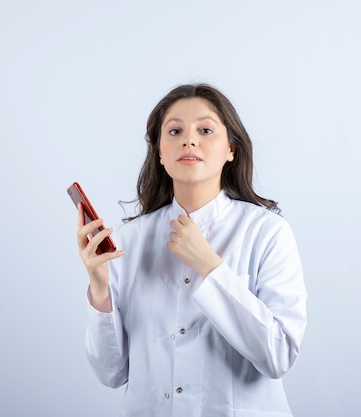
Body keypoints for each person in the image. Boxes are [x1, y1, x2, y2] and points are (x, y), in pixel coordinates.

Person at [76, 83, 307, 417]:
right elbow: (111, 373)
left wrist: (211, 268)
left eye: (205, 129)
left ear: (231, 148)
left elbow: (279, 356)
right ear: (159, 151)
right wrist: (99, 288)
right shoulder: (128, 241)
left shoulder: (268, 233)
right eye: (174, 131)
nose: (189, 140)